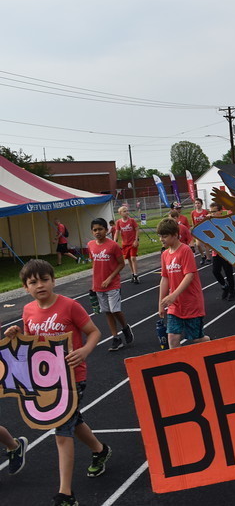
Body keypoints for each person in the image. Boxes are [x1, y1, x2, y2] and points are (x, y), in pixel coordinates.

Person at [4, 259, 109, 506]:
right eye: (33, 282)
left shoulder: (70, 306)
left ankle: (65, 495)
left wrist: (84, 351)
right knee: (74, 420)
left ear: (53, 280)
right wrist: (17, 335)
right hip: (47, 380)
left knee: (62, 430)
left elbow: (94, 332)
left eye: (44, 279)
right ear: (25, 287)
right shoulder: (28, 311)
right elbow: (32, 343)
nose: (40, 285)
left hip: (74, 377)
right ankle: (100, 450)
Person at [156, 218, 210, 349]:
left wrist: (173, 295)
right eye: (160, 236)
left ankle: (210, 342)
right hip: (175, 305)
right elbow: (165, 278)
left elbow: (189, 275)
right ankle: (177, 364)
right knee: (172, 337)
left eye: (165, 236)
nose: (162, 239)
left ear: (175, 235)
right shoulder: (165, 255)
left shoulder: (185, 251)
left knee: (196, 338)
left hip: (191, 302)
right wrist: (161, 302)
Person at [87, 218, 134, 351]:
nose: (97, 232)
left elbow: (121, 263)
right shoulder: (90, 245)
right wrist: (93, 283)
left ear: (106, 230)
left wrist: (109, 278)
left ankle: (125, 327)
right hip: (98, 285)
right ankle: (115, 338)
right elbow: (94, 264)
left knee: (115, 310)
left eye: (100, 229)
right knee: (107, 311)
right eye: (95, 230)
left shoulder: (113, 245)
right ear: (92, 231)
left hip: (113, 284)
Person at [208, 202, 235, 302]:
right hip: (216, 252)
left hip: (226, 252)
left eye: (214, 212)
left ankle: (232, 291)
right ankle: (225, 286)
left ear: (220, 211)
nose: (211, 214)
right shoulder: (210, 222)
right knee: (215, 271)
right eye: (210, 212)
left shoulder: (226, 221)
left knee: (228, 272)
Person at [113, 206, 140, 284]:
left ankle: (136, 275)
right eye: (124, 211)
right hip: (125, 244)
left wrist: (136, 240)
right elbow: (117, 232)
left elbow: (137, 229)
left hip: (132, 243)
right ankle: (132, 273)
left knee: (133, 258)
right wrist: (115, 242)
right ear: (120, 213)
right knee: (128, 259)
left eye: (127, 211)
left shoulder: (132, 221)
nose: (126, 212)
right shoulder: (118, 222)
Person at [191, 198, 211, 265]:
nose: (197, 205)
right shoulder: (193, 212)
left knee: (206, 244)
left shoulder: (205, 212)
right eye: (196, 203)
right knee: (198, 245)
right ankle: (203, 256)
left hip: (205, 230)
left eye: (198, 203)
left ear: (201, 204)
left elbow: (208, 220)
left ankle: (208, 258)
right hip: (198, 231)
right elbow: (193, 222)